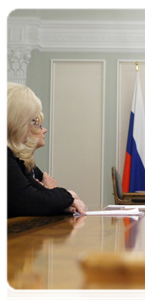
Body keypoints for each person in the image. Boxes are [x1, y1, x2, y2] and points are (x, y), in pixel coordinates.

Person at [5, 82, 87, 219]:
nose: (31, 127)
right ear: (16, 121)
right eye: (31, 122)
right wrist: (69, 195)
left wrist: (64, 202)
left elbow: (42, 197)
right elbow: (31, 201)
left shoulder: (12, 157)